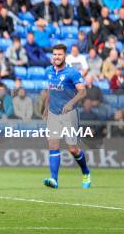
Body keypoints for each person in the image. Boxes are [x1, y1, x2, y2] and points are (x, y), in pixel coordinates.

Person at [42, 44, 90, 189]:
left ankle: (86, 172)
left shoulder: (72, 73)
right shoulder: (48, 71)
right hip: (53, 113)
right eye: (55, 54)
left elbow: (83, 92)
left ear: (65, 56)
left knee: (73, 149)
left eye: (60, 54)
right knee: (53, 145)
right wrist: (45, 107)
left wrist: (71, 103)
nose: (57, 57)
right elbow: (50, 90)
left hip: (69, 113)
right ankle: (54, 179)